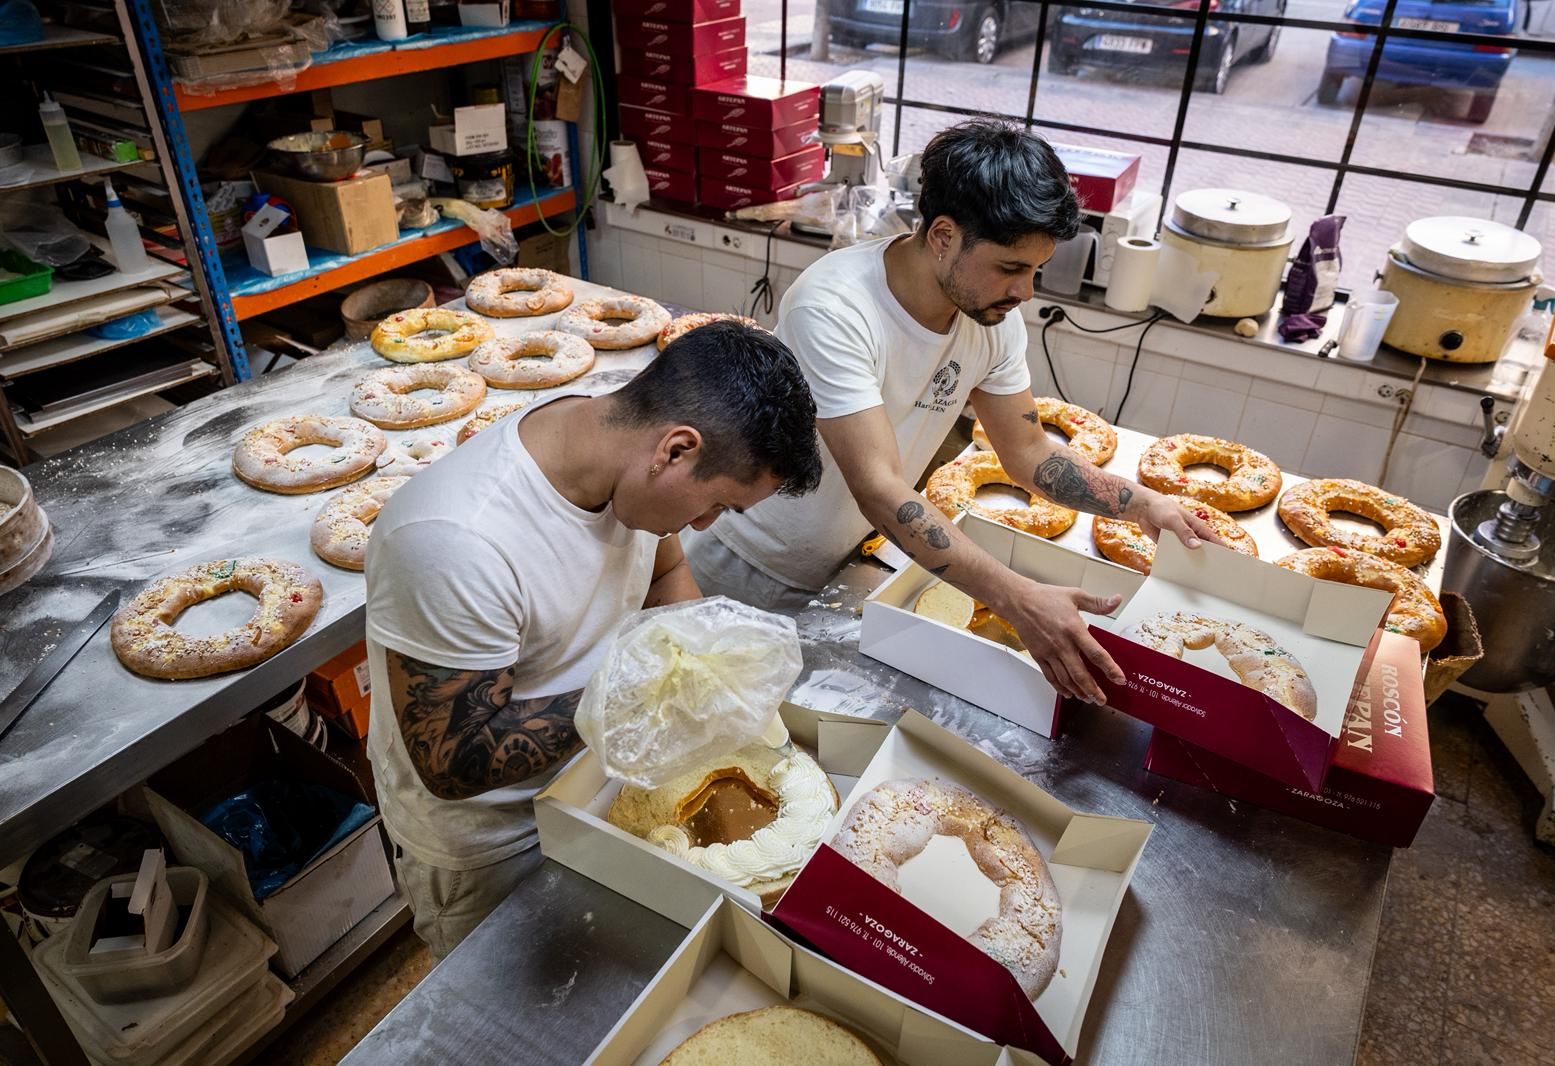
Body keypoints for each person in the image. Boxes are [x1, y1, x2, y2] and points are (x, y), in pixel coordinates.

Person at [683, 120, 1224, 707]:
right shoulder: (835, 309)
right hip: (751, 568)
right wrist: (1018, 599)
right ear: (943, 236)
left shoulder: (990, 318)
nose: (1026, 292)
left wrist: (1141, 504)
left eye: (1036, 270)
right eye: (1011, 268)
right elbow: (881, 489)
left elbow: (1029, 453)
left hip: (849, 561)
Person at [363, 322, 823, 960]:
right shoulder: (455, 543)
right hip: (496, 845)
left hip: (606, 785)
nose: (705, 525)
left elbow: (664, 568)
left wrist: (700, 658)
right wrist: (646, 693)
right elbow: (453, 762)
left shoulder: (619, 445)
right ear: (677, 450)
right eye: (718, 504)